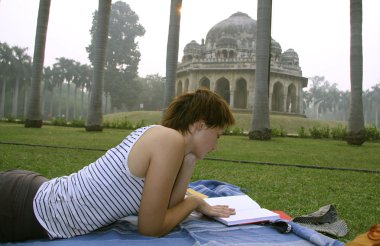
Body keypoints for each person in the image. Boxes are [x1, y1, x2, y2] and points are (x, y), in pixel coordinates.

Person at [0, 88, 236, 242]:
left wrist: (191, 160)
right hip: (23, 207)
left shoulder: (169, 142)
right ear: (200, 125)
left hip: (33, 194)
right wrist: (194, 201)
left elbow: (167, 207)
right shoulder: (168, 140)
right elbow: (151, 227)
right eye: (218, 134)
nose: (216, 145)